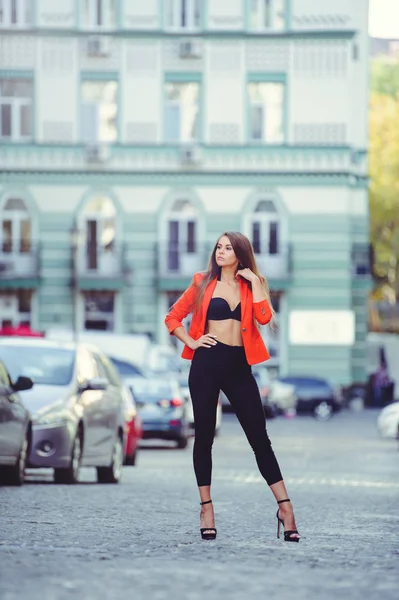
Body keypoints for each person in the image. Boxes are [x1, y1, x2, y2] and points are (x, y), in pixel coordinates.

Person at [164, 232, 300, 542]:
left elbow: (265, 319)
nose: (221, 252)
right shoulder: (202, 282)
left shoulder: (252, 285)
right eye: (218, 247)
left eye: (228, 248)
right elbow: (173, 318)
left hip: (240, 367)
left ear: (240, 254)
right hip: (206, 364)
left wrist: (254, 282)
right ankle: (206, 508)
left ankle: (285, 508)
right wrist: (192, 342)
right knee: (204, 438)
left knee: (260, 440)